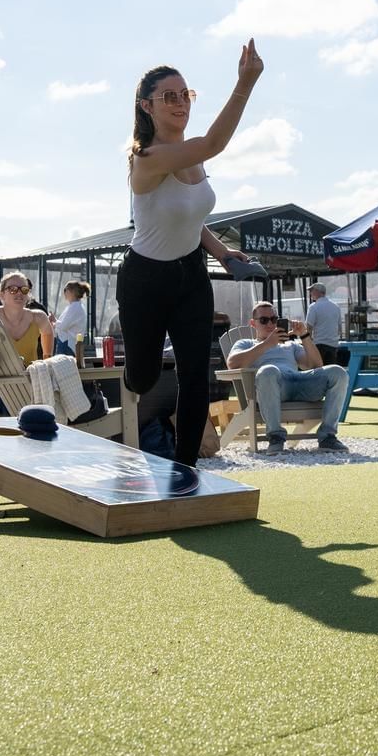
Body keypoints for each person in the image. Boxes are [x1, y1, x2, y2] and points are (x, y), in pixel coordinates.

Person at [117, 41, 263, 468]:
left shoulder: (193, 158)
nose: (181, 103)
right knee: (142, 378)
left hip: (190, 278)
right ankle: (135, 373)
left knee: (196, 373)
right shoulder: (149, 158)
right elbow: (215, 141)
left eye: (186, 94)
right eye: (169, 96)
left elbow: (188, 217)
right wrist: (246, 82)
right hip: (145, 279)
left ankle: (185, 470)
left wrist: (220, 253)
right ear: (146, 106)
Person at [226, 300, 349, 455]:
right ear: (253, 323)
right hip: (273, 387)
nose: (270, 324)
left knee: (337, 372)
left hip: (299, 382)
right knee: (268, 370)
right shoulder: (246, 343)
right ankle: (276, 437)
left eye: (274, 319)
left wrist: (304, 335)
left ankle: (328, 437)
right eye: (264, 320)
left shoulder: (290, 345)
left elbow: (316, 365)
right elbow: (232, 364)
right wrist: (266, 344)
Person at [0, 272, 55, 366]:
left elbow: (48, 333)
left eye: (24, 289)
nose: (19, 293)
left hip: (30, 377)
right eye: (12, 289)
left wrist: (46, 359)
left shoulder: (39, 317)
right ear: (1, 294)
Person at [304, 282, 343, 365]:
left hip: (318, 345)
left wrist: (307, 344)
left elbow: (309, 328)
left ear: (318, 292)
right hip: (333, 346)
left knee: (318, 371)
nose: (310, 293)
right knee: (330, 372)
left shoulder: (313, 307)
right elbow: (339, 328)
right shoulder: (336, 307)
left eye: (312, 290)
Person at [53, 280, 90, 357]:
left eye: (65, 290)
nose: (64, 293)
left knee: (62, 368)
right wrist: (55, 322)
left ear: (71, 291)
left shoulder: (75, 307)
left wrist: (54, 322)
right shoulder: (76, 306)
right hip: (69, 344)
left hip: (67, 345)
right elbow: (63, 325)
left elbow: (63, 326)